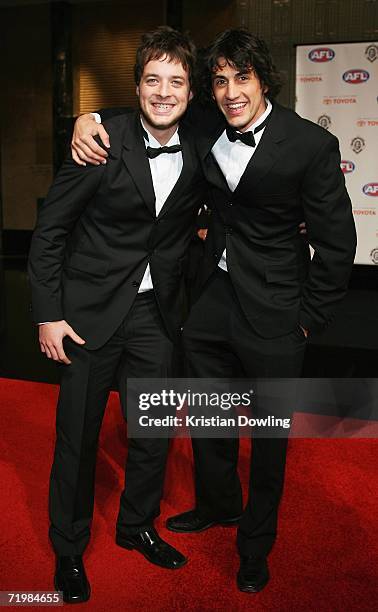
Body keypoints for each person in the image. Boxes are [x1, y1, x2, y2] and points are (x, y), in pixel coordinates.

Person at [71, 29, 356, 594]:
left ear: (263, 80)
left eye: (240, 78)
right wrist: (85, 119)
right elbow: (151, 106)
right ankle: (218, 504)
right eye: (220, 80)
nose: (230, 92)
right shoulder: (204, 125)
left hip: (277, 310)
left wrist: (309, 317)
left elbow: (338, 242)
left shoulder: (308, 145)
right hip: (210, 301)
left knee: (268, 438)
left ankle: (255, 544)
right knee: (209, 418)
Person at [28, 26, 207, 604]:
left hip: (158, 314)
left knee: (152, 433)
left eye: (175, 81)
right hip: (88, 315)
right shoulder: (100, 140)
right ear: (136, 87)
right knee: (76, 436)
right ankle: (69, 547)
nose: (163, 92)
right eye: (153, 80)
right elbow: (51, 231)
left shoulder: (203, 143)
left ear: (190, 91)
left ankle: (135, 526)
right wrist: (47, 314)